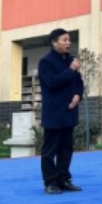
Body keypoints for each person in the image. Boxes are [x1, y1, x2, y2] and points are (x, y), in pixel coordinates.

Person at [39, 28, 84, 195]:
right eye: (64, 40)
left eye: (69, 40)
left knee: (66, 148)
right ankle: (50, 182)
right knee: (50, 150)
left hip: (69, 112)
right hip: (54, 114)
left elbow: (79, 82)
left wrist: (78, 95)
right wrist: (71, 70)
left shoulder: (71, 60)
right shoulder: (46, 62)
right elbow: (52, 83)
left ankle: (64, 179)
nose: (68, 43)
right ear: (54, 42)